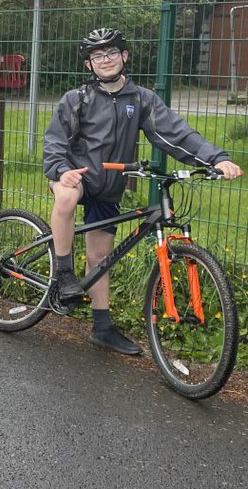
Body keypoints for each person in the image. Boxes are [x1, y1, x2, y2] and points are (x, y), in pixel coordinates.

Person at [43, 27, 243, 355]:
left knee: (99, 256)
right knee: (66, 196)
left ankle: (102, 327)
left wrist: (216, 158)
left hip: (108, 185)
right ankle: (63, 273)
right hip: (73, 176)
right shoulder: (76, 99)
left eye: (111, 53)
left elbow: (176, 133)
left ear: (124, 56)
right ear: (88, 64)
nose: (105, 60)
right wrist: (62, 171)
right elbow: (54, 140)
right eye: (97, 56)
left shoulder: (140, 99)